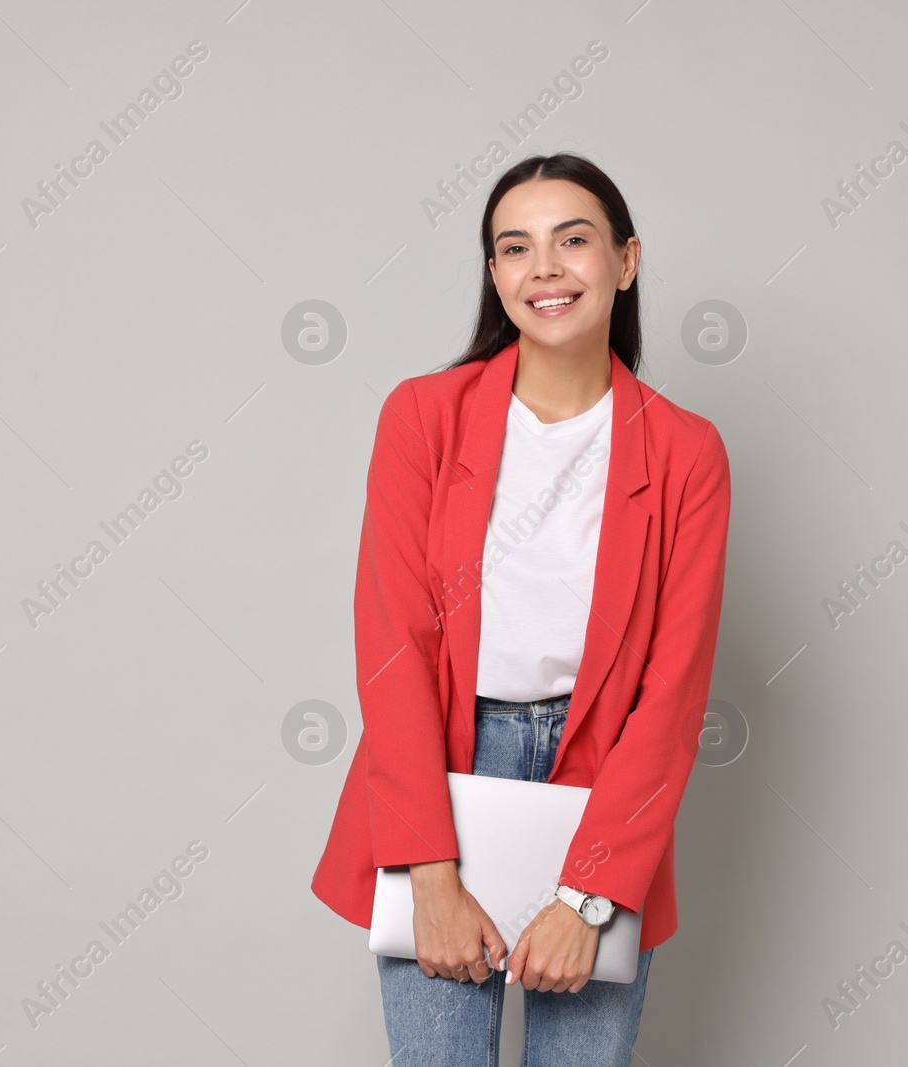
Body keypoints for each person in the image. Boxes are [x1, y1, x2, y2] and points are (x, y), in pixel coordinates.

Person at [310, 152, 732, 1065]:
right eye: (515, 247)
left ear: (625, 261)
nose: (543, 267)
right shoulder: (422, 417)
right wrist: (431, 871)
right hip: (437, 779)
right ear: (494, 274)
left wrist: (589, 896)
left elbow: (673, 691)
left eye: (572, 240)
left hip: (605, 795)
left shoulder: (688, 453)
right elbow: (393, 648)